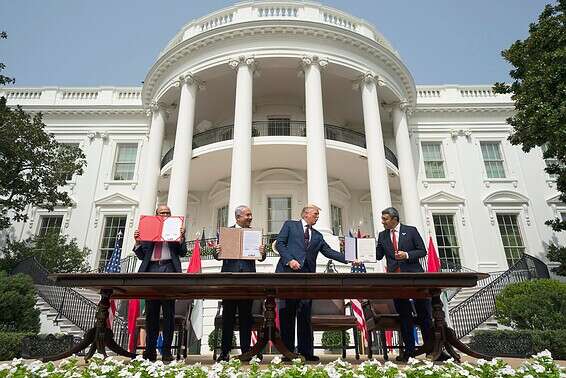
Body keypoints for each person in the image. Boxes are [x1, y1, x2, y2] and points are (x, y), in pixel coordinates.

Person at [275, 204, 355, 361]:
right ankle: (287, 352)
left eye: (318, 215)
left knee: (304, 314)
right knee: (287, 314)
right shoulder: (290, 225)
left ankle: (306, 352)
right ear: (306, 214)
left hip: (307, 278)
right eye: (315, 214)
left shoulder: (317, 236)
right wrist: (290, 260)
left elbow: (329, 252)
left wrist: (350, 259)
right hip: (288, 275)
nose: (317, 217)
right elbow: (280, 243)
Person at [375, 206, 431, 362]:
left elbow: (422, 251)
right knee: (404, 315)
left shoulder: (411, 231)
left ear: (394, 219)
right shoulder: (382, 235)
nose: (382, 221)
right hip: (395, 280)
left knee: (424, 314)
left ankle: (430, 348)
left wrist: (406, 255)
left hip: (414, 278)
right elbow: (379, 256)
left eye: (385, 219)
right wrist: (369, 246)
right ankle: (409, 351)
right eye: (382, 219)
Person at [133, 205, 187, 362]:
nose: (165, 215)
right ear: (156, 215)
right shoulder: (148, 227)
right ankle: (150, 351)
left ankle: (166, 351)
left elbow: (182, 252)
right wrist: (137, 242)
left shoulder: (176, 227)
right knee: (151, 313)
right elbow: (142, 255)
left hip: (169, 269)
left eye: (168, 213)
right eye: (162, 213)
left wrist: (181, 237)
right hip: (151, 270)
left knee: (168, 313)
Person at [213, 205, 266, 362]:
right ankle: (225, 352)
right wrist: (217, 251)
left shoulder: (254, 234)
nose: (250, 217)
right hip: (229, 281)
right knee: (228, 317)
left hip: (248, 281)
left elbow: (261, 258)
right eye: (247, 215)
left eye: (251, 215)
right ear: (238, 217)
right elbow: (218, 256)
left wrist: (262, 252)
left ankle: (245, 351)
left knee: (246, 317)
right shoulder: (225, 233)